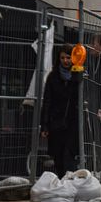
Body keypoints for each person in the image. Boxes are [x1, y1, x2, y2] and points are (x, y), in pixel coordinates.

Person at [40, 44, 78, 178]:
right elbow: (47, 101)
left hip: (73, 121)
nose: (66, 61)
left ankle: (69, 182)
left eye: (68, 57)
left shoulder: (77, 76)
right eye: (63, 58)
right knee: (58, 156)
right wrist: (44, 124)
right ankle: (63, 181)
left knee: (69, 155)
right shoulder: (53, 77)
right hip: (56, 121)